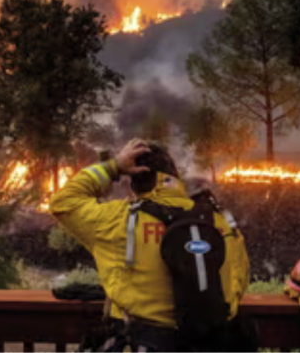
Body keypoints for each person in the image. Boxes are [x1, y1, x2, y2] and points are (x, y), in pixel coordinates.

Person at [49, 139, 251, 351]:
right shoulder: (220, 221)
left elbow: (63, 202)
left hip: (144, 343)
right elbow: (240, 281)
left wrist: (113, 166)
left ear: (133, 182)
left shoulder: (118, 219)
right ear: (175, 175)